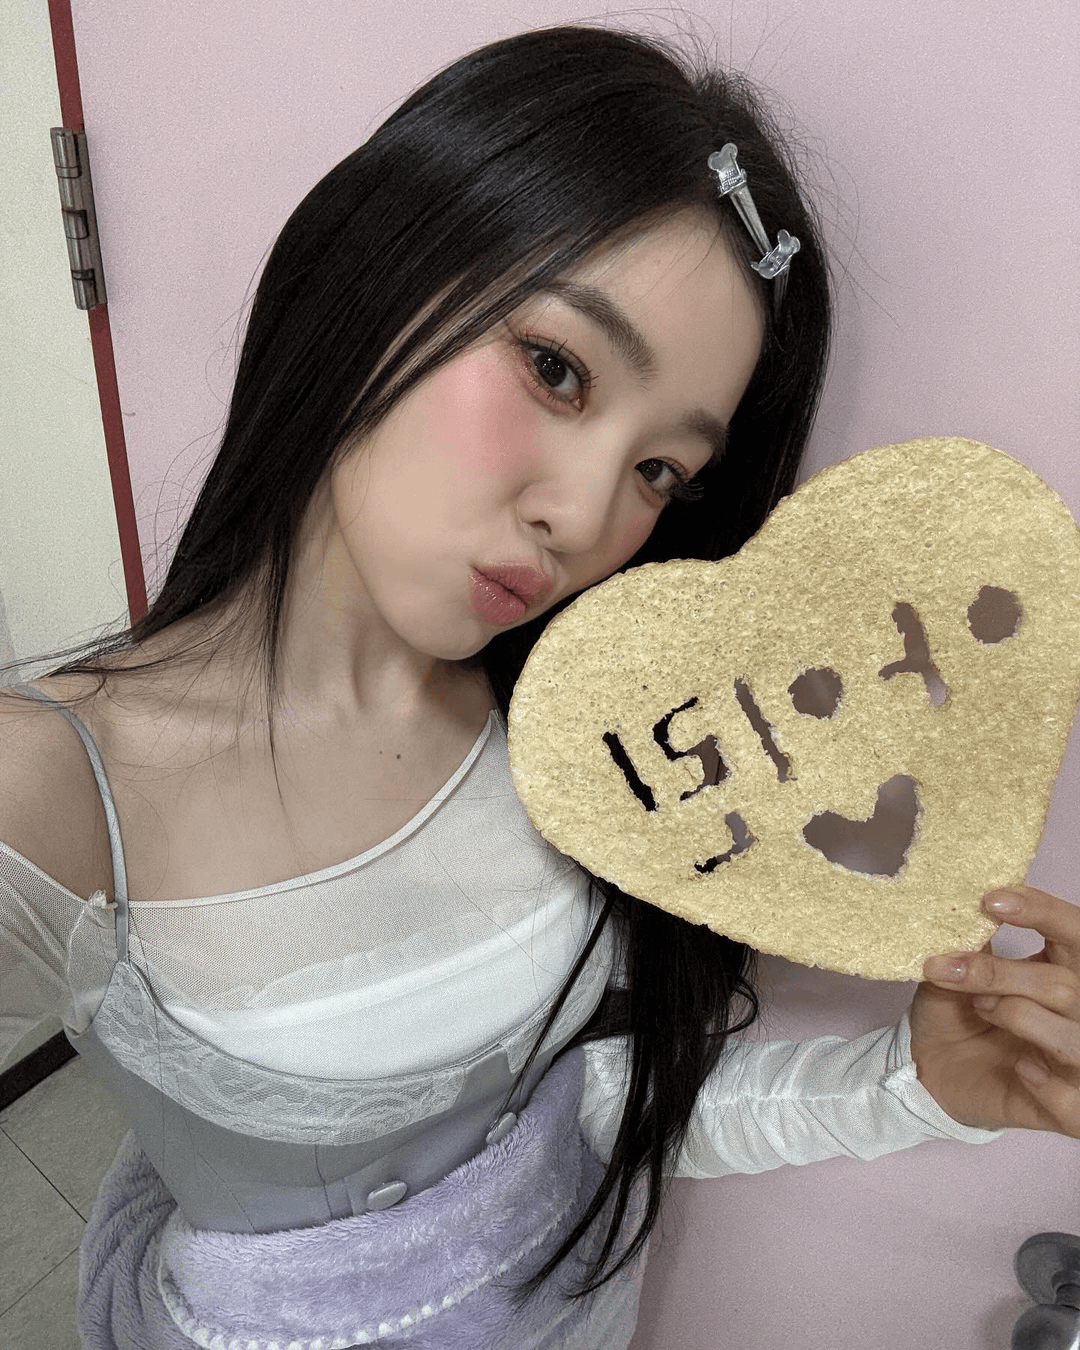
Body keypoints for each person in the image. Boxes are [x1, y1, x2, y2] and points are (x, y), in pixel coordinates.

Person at [1, 23, 1077, 1350]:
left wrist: (906, 1084)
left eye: (661, 471)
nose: (585, 515)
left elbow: (581, 1125)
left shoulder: (585, 740)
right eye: (558, 369)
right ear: (381, 265)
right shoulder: (54, 789)